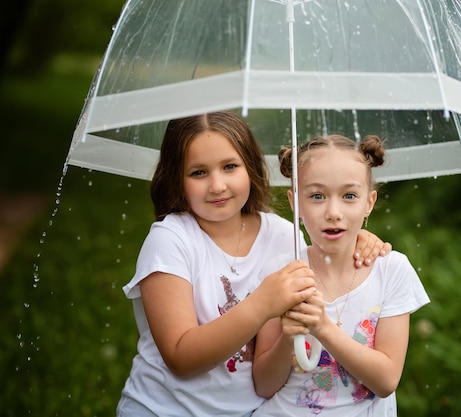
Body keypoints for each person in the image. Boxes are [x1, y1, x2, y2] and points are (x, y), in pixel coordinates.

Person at [116, 111, 391, 417]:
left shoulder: (284, 236)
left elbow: (327, 251)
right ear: (176, 179)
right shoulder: (170, 241)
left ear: (250, 168)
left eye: (230, 167)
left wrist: (360, 239)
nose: (217, 185)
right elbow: (181, 357)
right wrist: (262, 304)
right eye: (198, 173)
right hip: (165, 409)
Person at [251, 134, 430, 416]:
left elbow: (386, 381)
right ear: (295, 202)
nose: (333, 212)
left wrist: (322, 327)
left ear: (369, 202)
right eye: (317, 196)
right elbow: (264, 385)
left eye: (349, 196)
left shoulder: (391, 270)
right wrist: (287, 338)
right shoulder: (281, 272)